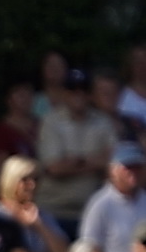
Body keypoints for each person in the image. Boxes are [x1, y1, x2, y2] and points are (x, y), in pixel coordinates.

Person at [37, 69, 115, 232]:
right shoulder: (51, 122)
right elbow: (55, 168)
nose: (78, 95)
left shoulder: (104, 123)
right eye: (73, 90)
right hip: (53, 210)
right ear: (65, 93)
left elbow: (113, 163)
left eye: (84, 90)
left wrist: (74, 162)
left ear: (90, 94)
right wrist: (95, 161)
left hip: (92, 210)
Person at [0, 155, 68, 252]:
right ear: (11, 181)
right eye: (25, 180)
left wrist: (39, 225)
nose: (32, 185)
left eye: (36, 179)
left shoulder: (42, 215)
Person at [79, 142, 146, 252]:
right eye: (127, 167)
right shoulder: (100, 204)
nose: (133, 172)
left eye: (137, 167)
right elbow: (89, 246)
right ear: (113, 170)